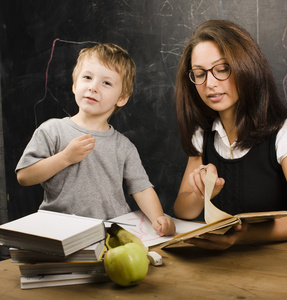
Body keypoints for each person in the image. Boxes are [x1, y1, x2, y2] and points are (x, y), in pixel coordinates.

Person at [173, 20, 287, 249]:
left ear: (246, 66)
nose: (210, 84)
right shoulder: (203, 133)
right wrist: (202, 192)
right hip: (222, 266)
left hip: (281, 262)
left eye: (222, 69)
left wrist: (241, 236)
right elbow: (183, 211)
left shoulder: (285, 129)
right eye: (199, 73)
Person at [16, 43, 175, 236]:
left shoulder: (123, 146)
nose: (93, 87)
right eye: (87, 78)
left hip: (111, 234)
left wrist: (159, 218)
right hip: (60, 232)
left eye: (106, 83)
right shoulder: (52, 130)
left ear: (122, 98)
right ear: (75, 85)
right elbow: (24, 176)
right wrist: (65, 157)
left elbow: (141, 188)